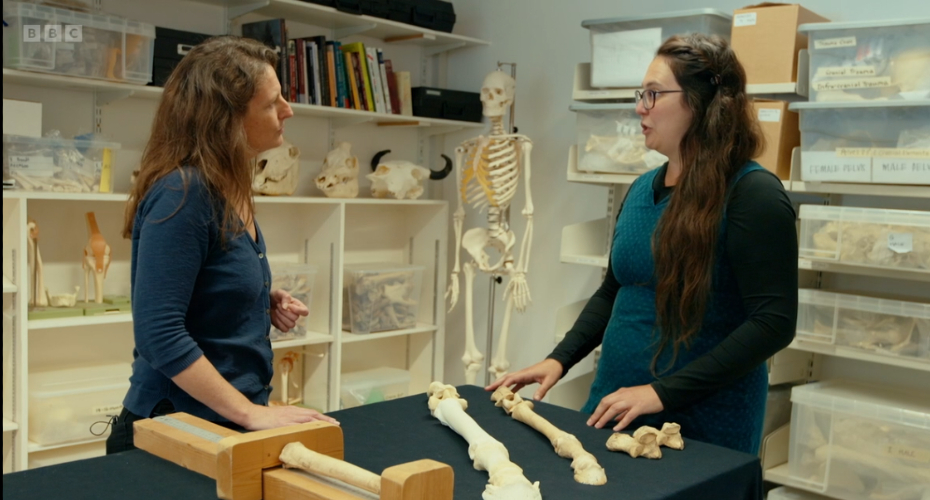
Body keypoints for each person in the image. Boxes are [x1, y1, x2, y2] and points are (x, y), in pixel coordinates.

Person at [488, 33, 798, 455]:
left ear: (701, 102)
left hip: (703, 425)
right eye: (641, 94)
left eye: (653, 94)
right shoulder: (639, 190)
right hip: (615, 406)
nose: (639, 108)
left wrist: (660, 393)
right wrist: (559, 359)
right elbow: (615, 289)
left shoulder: (753, 194)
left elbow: (773, 323)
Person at [106, 36, 338, 454]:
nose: (288, 110)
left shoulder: (228, 187)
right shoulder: (184, 192)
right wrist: (250, 413)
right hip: (175, 432)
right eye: (272, 103)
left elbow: (201, 284)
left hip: (219, 425)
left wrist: (257, 299)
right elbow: (159, 333)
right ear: (226, 118)